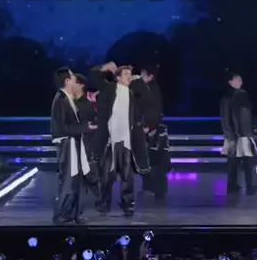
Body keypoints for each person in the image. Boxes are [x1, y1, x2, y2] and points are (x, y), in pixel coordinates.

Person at [88, 63, 150, 217]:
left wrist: (137, 79)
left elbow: (146, 94)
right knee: (106, 176)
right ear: (117, 77)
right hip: (110, 141)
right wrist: (104, 68)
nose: (129, 76)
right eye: (125, 74)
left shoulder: (134, 92)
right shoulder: (109, 89)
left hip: (127, 141)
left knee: (127, 176)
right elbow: (94, 76)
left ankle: (128, 204)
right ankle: (103, 203)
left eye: (130, 74)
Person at [50, 67, 97, 224]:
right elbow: (63, 127)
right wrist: (84, 128)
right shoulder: (61, 99)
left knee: (76, 180)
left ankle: (73, 214)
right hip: (67, 144)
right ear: (67, 81)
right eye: (72, 77)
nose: (75, 79)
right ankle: (61, 214)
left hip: (74, 142)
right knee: (69, 180)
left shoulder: (67, 98)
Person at [220, 72, 257, 195]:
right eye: (236, 80)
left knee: (248, 160)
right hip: (235, 134)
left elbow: (249, 114)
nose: (238, 82)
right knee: (235, 162)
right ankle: (237, 186)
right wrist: (230, 136)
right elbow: (226, 118)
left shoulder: (243, 95)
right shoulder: (227, 98)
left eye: (240, 79)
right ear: (230, 82)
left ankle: (249, 185)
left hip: (245, 133)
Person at [132, 66, 170, 201]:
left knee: (157, 160)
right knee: (146, 159)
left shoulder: (152, 89)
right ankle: (149, 186)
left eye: (143, 75)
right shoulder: (141, 89)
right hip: (144, 128)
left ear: (150, 76)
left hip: (153, 129)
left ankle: (159, 189)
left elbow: (154, 110)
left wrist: (148, 126)